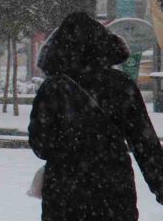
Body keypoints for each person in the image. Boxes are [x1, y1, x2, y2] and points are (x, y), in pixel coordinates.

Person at [29, 12, 163, 221]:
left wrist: (69, 145)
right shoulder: (121, 85)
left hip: (64, 195)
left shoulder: (53, 88)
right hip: (114, 192)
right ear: (103, 45)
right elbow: (145, 142)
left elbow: (40, 146)